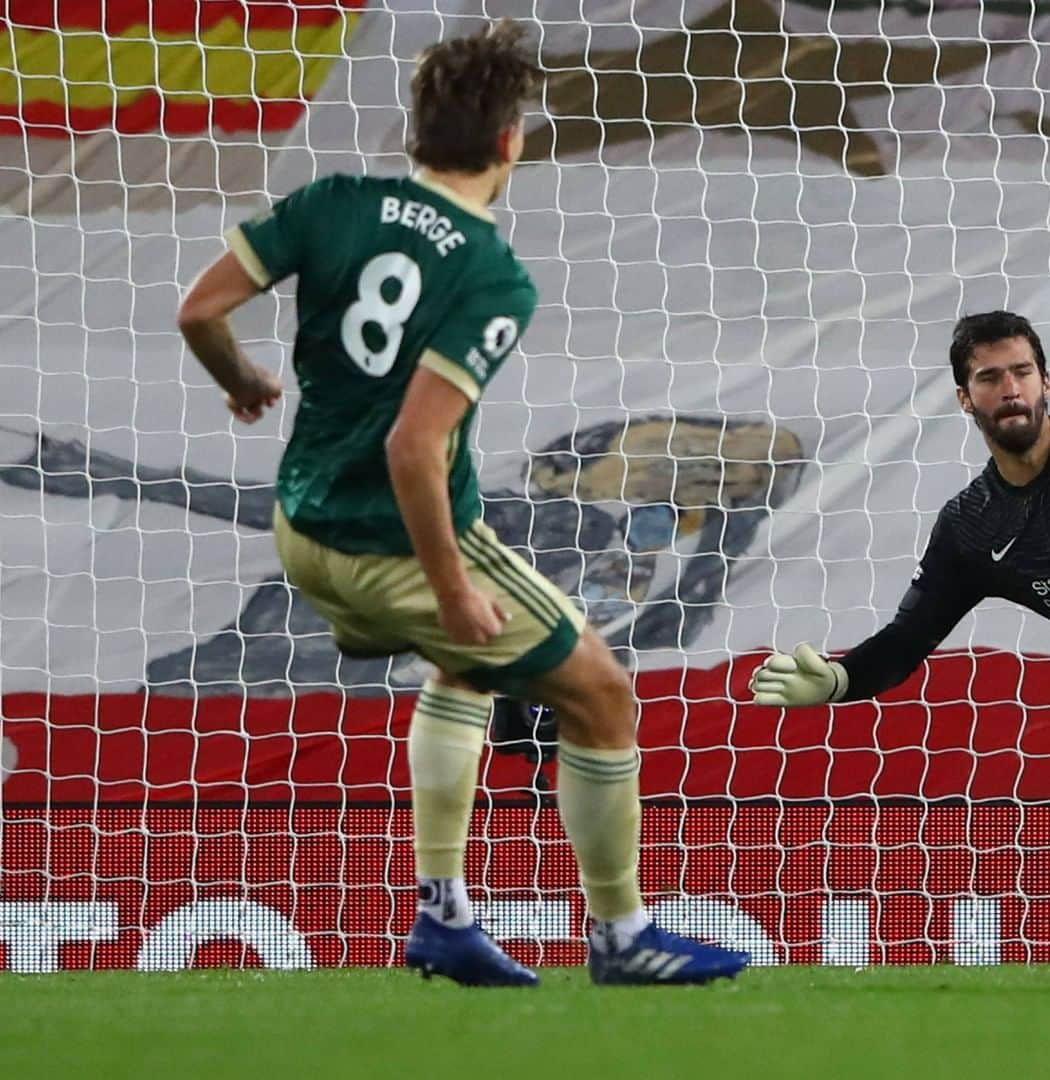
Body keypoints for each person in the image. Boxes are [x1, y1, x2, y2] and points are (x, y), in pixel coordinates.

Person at [177, 20, 749, 987]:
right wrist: (448, 589)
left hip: (303, 526)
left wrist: (240, 380)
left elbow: (199, 310)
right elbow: (414, 446)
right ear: (508, 143)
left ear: (417, 127)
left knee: (467, 671)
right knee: (603, 695)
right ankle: (623, 938)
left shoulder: (333, 202)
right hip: (394, 540)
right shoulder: (490, 276)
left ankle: (445, 917)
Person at [751, 310, 1050, 709]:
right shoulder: (971, 527)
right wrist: (840, 679)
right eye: (989, 378)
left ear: (1045, 383)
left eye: (1022, 372)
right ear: (965, 398)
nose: (1010, 389)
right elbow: (907, 637)